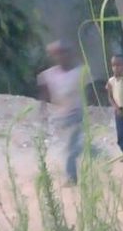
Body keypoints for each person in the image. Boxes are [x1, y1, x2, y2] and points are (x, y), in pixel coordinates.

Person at [37, 41, 87, 185]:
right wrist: (43, 111)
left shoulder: (80, 72)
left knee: (71, 147)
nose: (61, 57)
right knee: (74, 146)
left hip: (77, 114)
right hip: (61, 116)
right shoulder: (48, 75)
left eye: (64, 53)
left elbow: (88, 92)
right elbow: (44, 95)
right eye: (58, 54)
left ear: (70, 55)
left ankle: (71, 178)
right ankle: (97, 153)